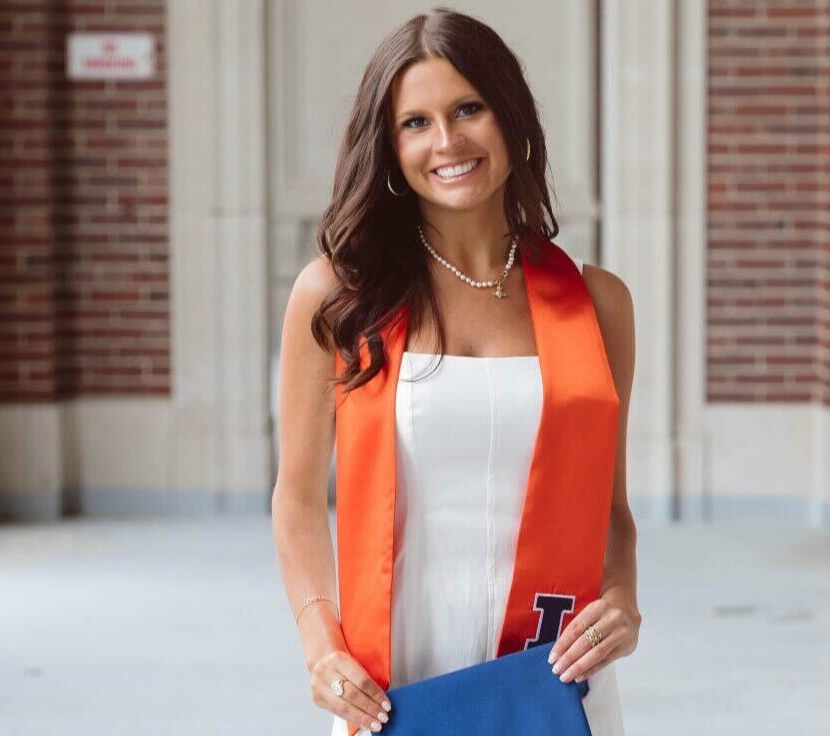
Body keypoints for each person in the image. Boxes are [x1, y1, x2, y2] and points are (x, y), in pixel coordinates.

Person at [271, 7, 640, 735]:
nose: (447, 141)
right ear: (389, 143)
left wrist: (622, 597)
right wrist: (321, 644)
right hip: (399, 670)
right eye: (416, 122)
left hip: (549, 674)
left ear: (512, 117)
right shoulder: (339, 297)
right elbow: (298, 499)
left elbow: (612, 513)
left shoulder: (597, 303)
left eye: (468, 108)